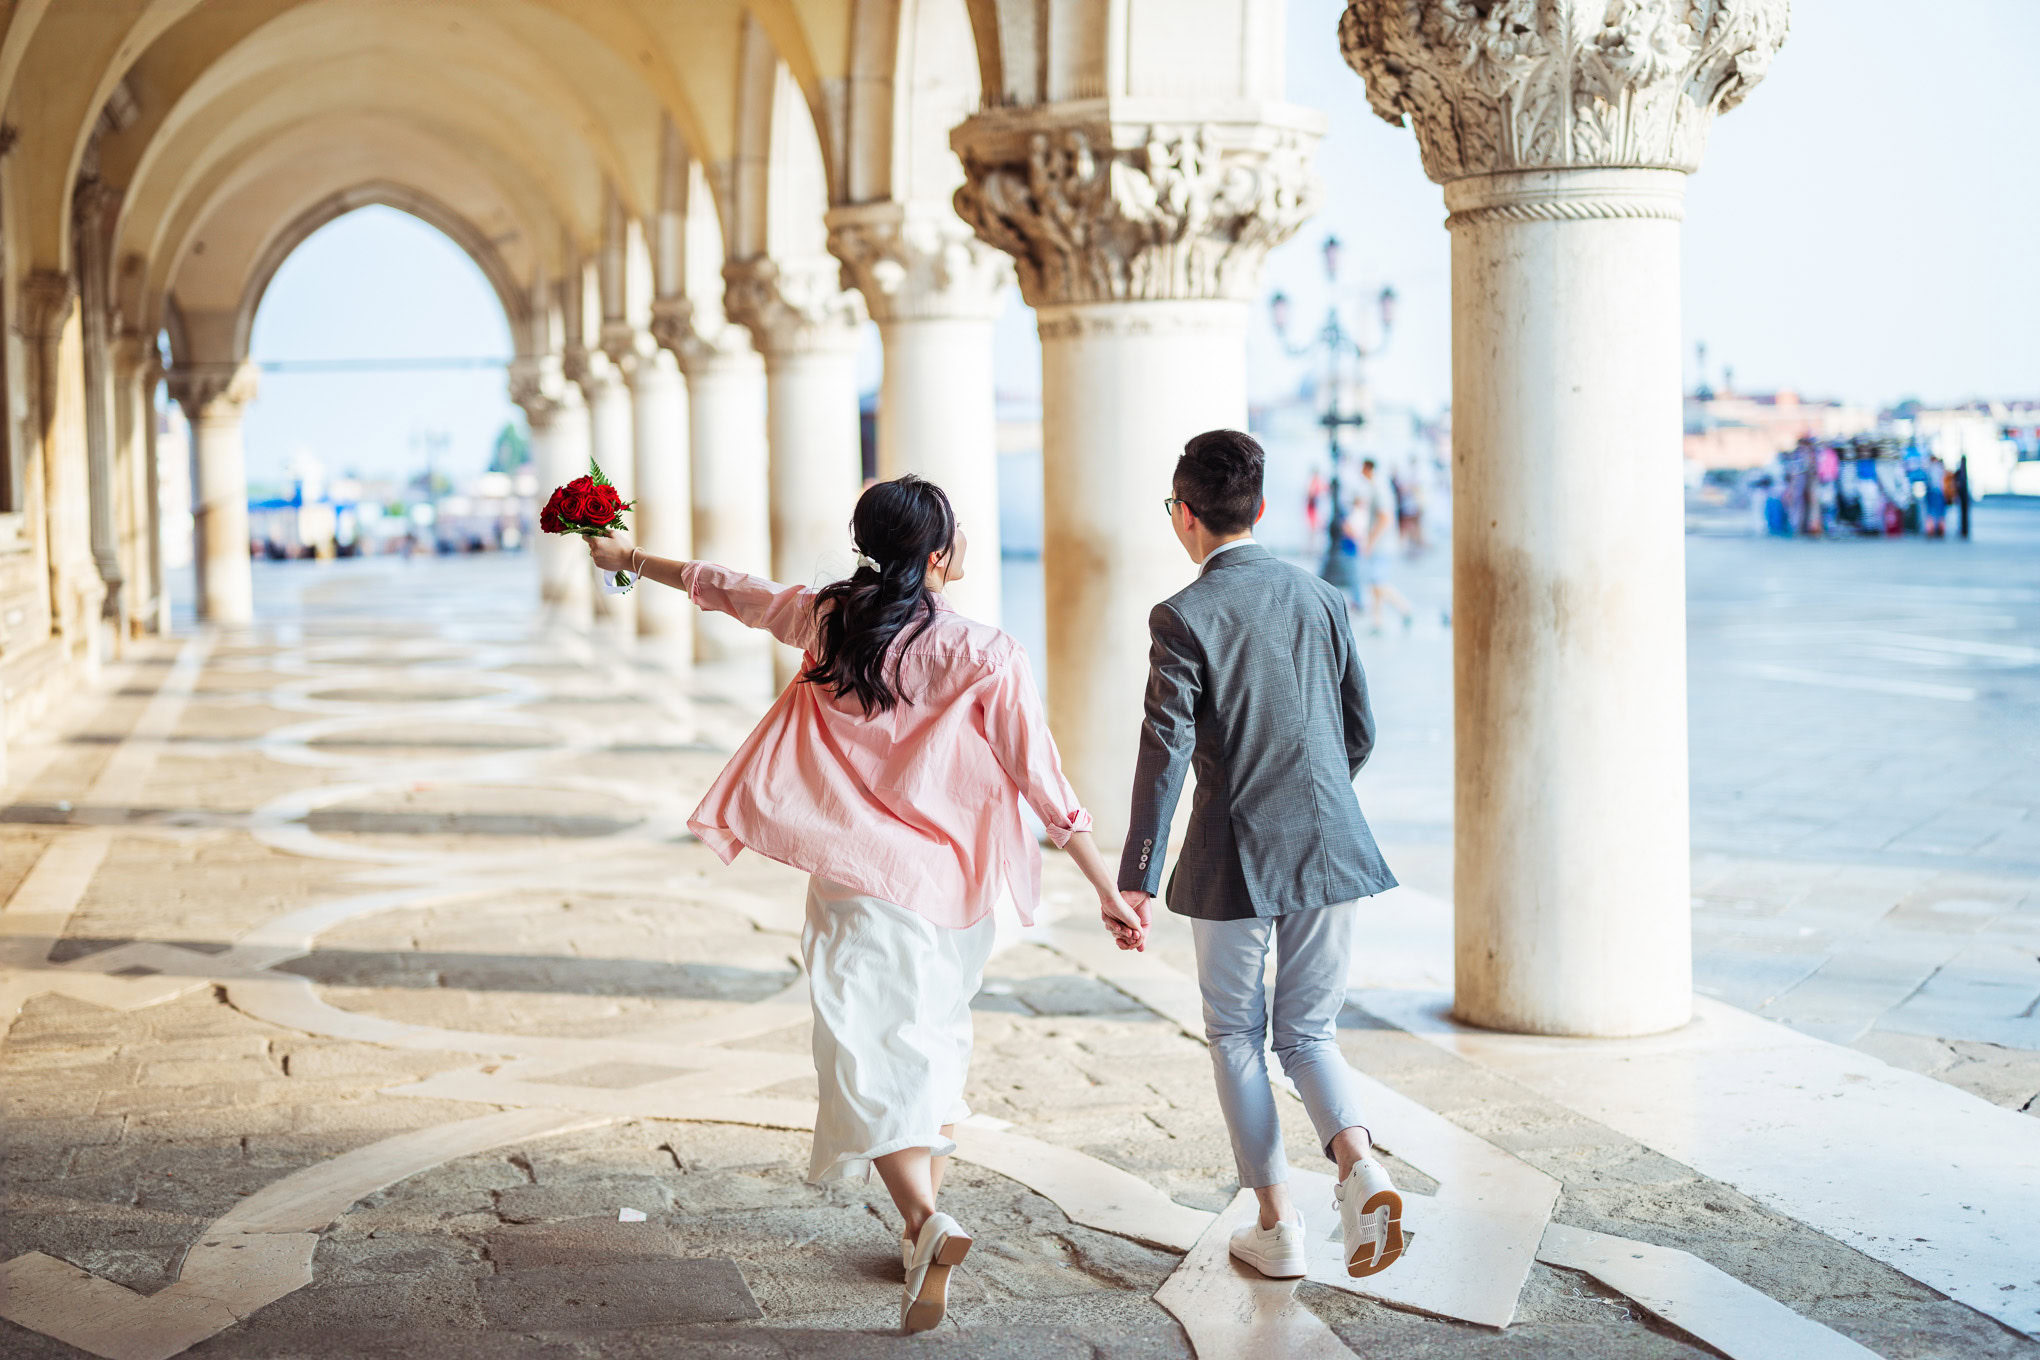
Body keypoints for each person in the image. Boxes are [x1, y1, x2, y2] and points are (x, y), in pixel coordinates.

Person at [587, 477, 1139, 1333]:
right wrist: (1106, 886)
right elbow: (1045, 782)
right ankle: (918, 1239)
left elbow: (725, 586)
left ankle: (924, 1222)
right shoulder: (988, 652)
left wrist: (628, 560)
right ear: (941, 556)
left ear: (866, 544)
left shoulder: (829, 620)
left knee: (866, 1055)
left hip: (856, 878)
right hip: (953, 889)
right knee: (926, 1044)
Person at [1117, 429, 1406, 1283]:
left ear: (1185, 516)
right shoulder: (1321, 596)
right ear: (1262, 510)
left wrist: (1136, 876)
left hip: (1233, 853)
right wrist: (1309, 802)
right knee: (1309, 1031)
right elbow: (1359, 733)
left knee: (1236, 1033)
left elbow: (1163, 752)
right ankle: (1362, 1170)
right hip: (1331, 844)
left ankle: (1278, 1226)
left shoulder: (1183, 615)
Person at [1354, 458, 1415, 633]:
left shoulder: (1379, 488)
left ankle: (1405, 608)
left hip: (1382, 545)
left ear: (1368, 468)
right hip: (1381, 544)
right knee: (1374, 584)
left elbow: (1384, 517)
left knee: (1378, 583)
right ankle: (1377, 621)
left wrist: (1370, 542)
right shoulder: (1377, 487)